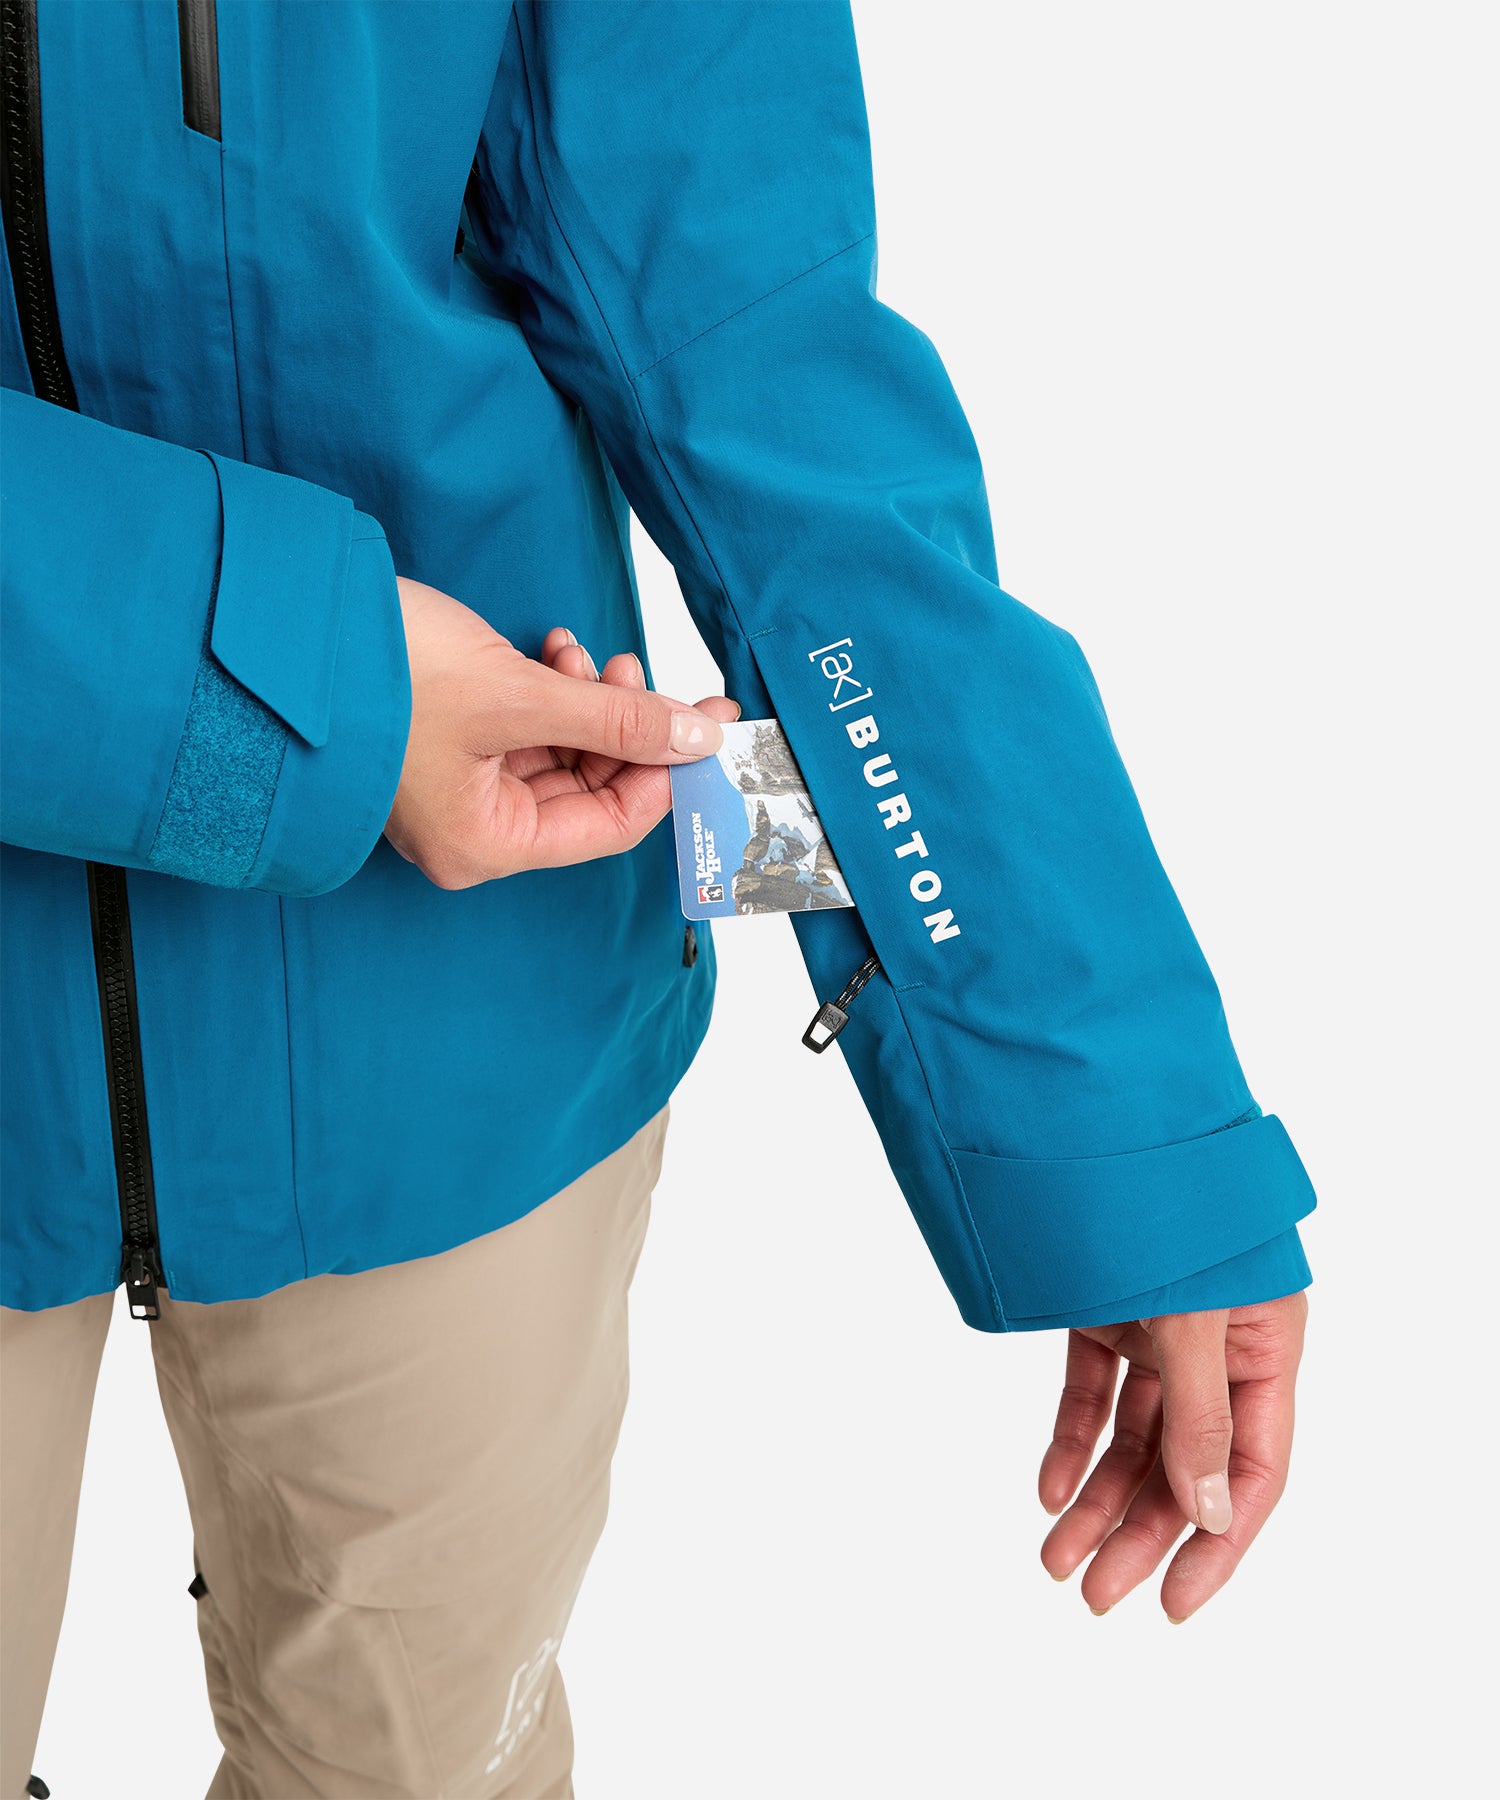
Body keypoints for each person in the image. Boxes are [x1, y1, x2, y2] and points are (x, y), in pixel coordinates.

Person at [0, 4, 1315, 1796]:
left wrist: (1105, 1121)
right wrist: (313, 686)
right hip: (448, 842)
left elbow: (754, 339)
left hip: (471, 1015)